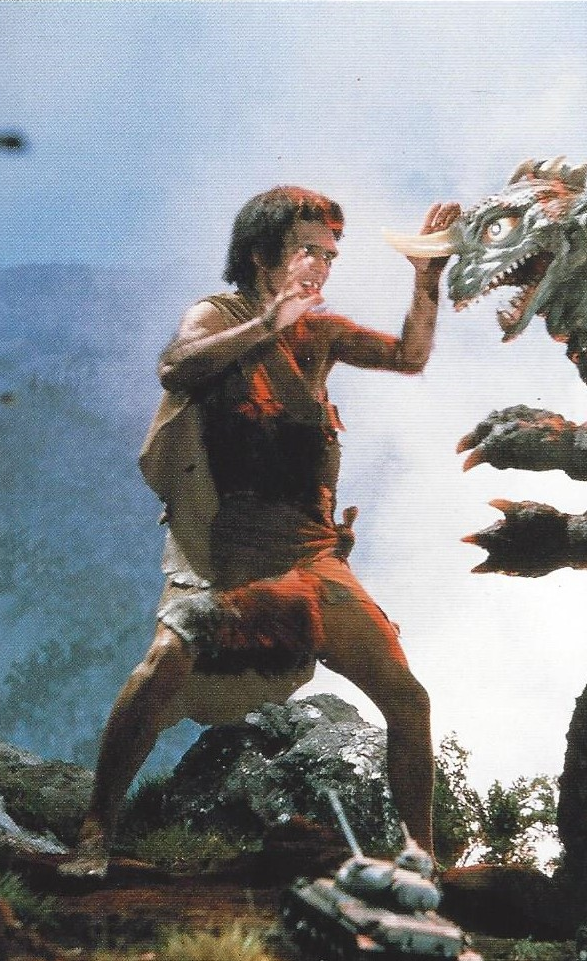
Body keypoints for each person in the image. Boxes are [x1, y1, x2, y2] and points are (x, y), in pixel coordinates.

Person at [62, 186, 460, 878]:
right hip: (230, 560)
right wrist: (270, 322)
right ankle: (95, 832)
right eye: (307, 250)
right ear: (260, 254)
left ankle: (420, 858)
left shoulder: (321, 334)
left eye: (329, 255)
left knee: (408, 699)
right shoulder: (219, 316)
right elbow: (176, 366)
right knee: (162, 667)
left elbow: (409, 355)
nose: (321, 266)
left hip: (311, 560)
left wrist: (427, 280)